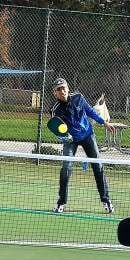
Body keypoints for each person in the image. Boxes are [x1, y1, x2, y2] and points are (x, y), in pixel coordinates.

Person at [49, 78, 115, 213]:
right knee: (66, 168)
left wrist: (104, 123)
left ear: (68, 88)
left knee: (98, 166)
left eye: (64, 88)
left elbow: (90, 111)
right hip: (70, 140)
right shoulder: (55, 110)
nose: (62, 91)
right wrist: (65, 137)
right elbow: (57, 130)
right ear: (55, 93)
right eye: (59, 89)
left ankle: (106, 200)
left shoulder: (78, 97)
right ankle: (61, 203)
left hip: (87, 135)